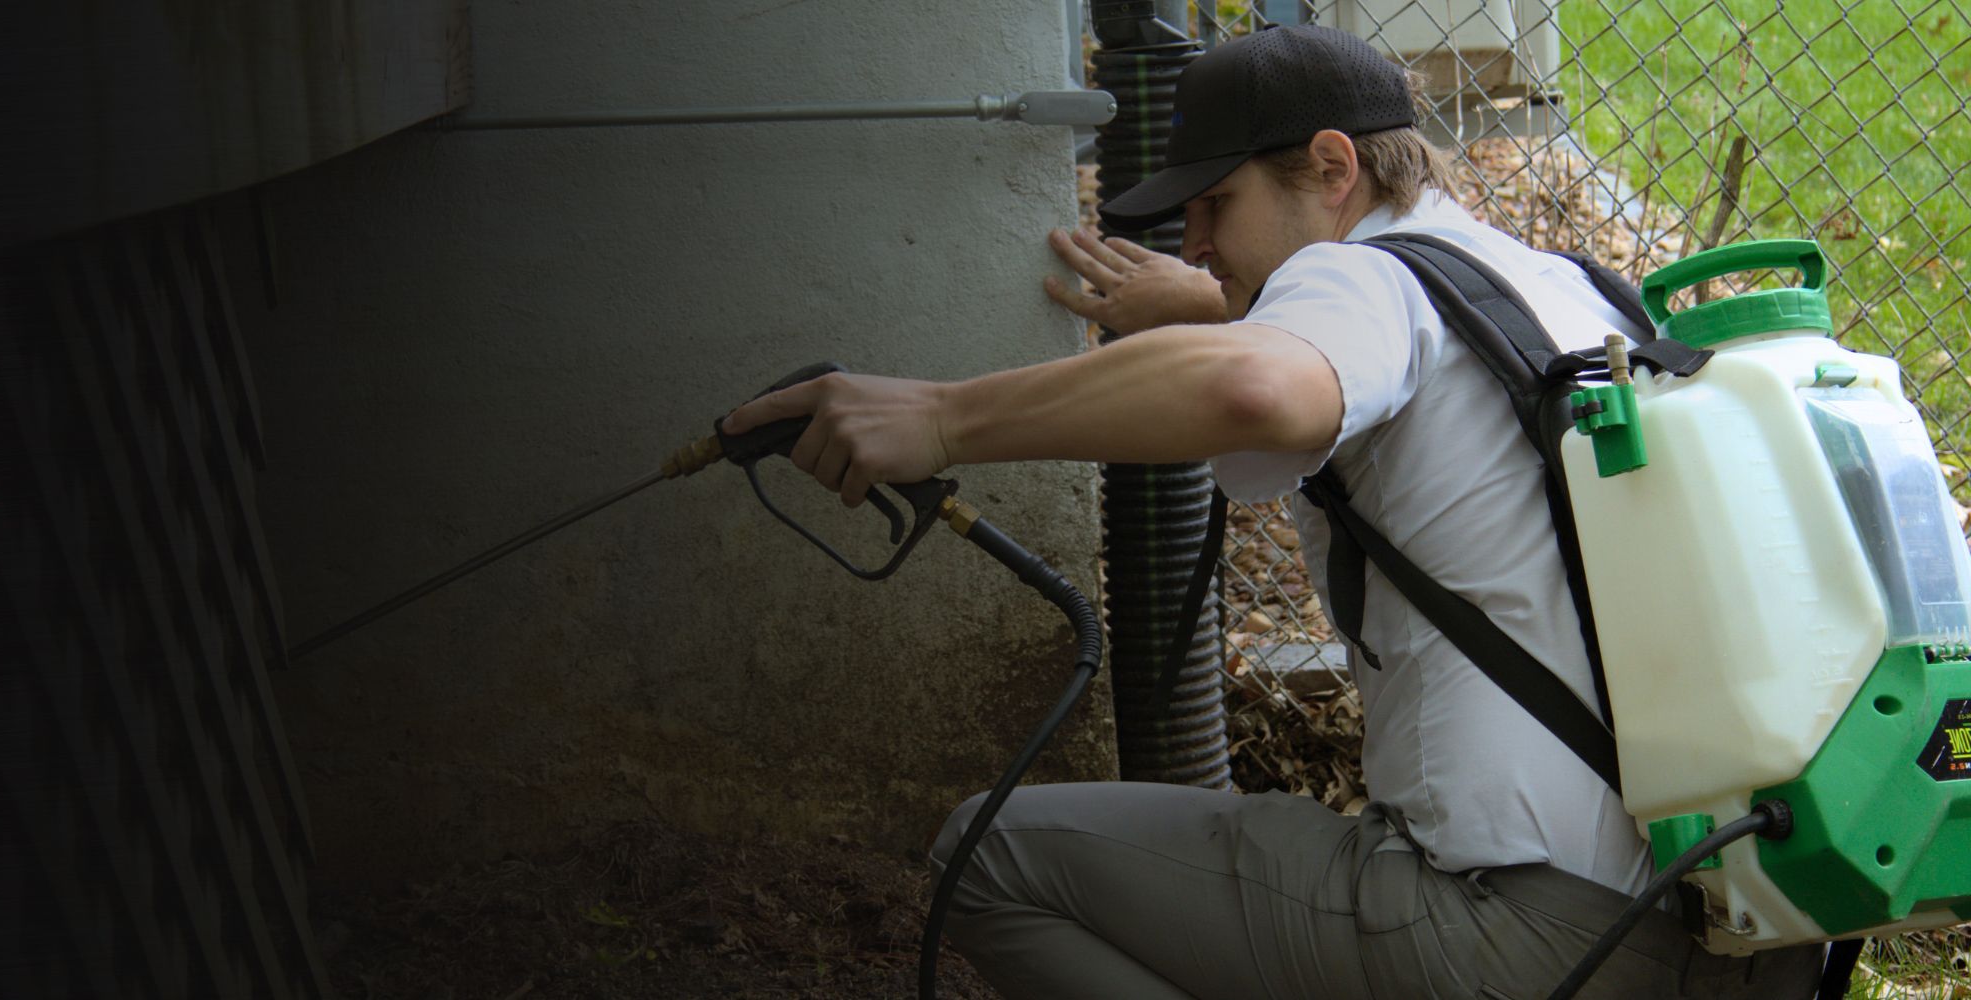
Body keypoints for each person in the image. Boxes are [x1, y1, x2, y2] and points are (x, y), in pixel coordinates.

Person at [723, 23, 1826, 1000]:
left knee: (988, 856)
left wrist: (939, 419)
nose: (1194, 242)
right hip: (1746, 923)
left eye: (1217, 204)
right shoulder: (1568, 288)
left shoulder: (1357, 280)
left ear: (1332, 168)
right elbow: (1389, 347)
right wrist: (1220, 308)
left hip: (1522, 938)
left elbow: (1262, 388)